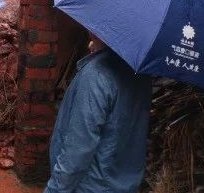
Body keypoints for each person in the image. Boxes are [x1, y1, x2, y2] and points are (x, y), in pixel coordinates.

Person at [44, 31, 152, 193]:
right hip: (125, 185)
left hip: (92, 186)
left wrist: (55, 190)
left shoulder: (96, 74)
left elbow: (77, 151)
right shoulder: (140, 74)